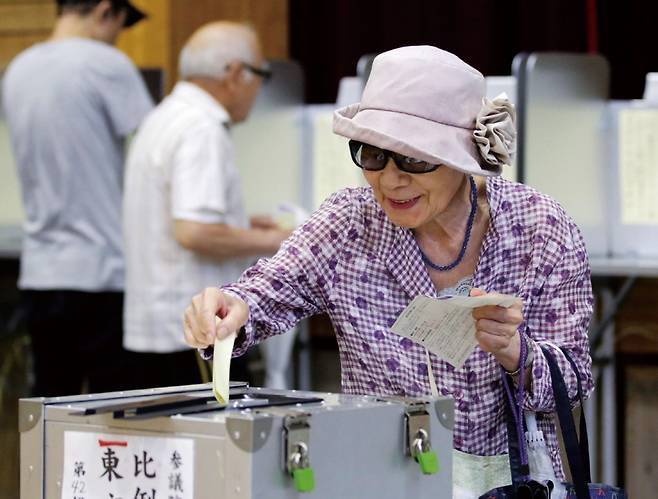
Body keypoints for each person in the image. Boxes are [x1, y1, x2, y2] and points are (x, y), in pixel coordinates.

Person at [183, 46, 593, 495]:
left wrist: (518, 353)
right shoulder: (349, 224)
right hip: (380, 477)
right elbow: (268, 289)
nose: (390, 180)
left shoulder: (539, 228)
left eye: (414, 160)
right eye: (373, 155)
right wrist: (232, 308)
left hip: (513, 483)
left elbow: (573, 379)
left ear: (463, 157)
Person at [122, 22, 291, 388]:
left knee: (163, 444)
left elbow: (176, 217)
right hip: (195, 333)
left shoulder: (164, 116)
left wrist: (241, 223)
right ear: (235, 74)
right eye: (261, 75)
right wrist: (284, 240)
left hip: (156, 328)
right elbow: (195, 232)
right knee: (209, 442)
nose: (259, 88)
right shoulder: (201, 127)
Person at [2, 0, 154, 397]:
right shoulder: (106, 64)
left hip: (41, 274)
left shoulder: (18, 69)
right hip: (102, 273)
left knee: (51, 410)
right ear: (106, 11)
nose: (117, 38)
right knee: (114, 419)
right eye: (119, 26)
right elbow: (156, 147)